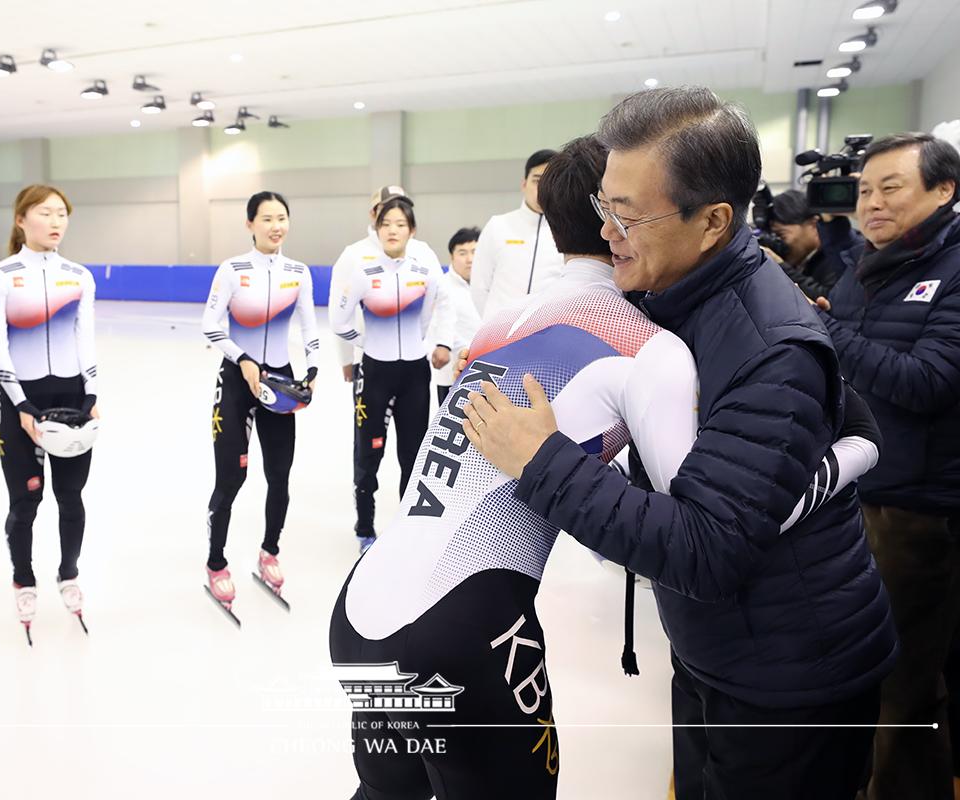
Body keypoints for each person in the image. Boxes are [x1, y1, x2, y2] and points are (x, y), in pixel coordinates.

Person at [330, 135, 882, 800]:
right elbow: (701, 526)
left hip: (362, 605)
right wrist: (856, 453)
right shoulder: (646, 346)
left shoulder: (500, 320)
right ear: (611, 216)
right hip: (465, 625)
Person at [815, 132, 960, 800]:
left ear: (943, 190)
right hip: (856, 491)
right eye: (865, 190)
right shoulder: (870, 266)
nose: (871, 203)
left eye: (891, 188)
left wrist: (830, 335)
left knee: (903, 683)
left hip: (916, 512)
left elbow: (929, 380)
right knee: (857, 668)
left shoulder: (952, 268)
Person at [0, 184, 98, 643]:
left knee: (71, 496)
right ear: (21, 219)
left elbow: (85, 337)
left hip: (72, 398)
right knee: (25, 500)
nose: (55, 222)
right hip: (20, 401)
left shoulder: (79, 276)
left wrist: (92, 392)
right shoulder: (1, 276)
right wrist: (21, 403)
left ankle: (68, 573)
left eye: (62, 214)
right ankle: (24, 580)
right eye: (45, 213)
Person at [201, 191, 320, 610]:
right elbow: (209, 325)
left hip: (282, 382)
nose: (276, 225)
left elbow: (310, 326)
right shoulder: (233, 270)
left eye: (282, 217)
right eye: (266, 218)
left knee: (280, 477)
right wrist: (244, 360)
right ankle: (216, 563)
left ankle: (270, 551)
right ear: (249, 224)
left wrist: (313, 370)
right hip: (237, 382)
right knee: (231, 479)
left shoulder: (298, 271)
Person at [331, 198, 444, 553]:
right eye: (386, 224)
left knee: (413, 455)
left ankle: (407, 528)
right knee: (369, 454)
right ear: (377, 230)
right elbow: (339, 321)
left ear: (412, 231)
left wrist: (426, 341)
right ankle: (365, 527)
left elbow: (434, 313)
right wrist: (366, 342)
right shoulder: (363, 275)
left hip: (414, 372)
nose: (392, 230)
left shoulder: (424, 273)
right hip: (375, 372)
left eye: (400, 224)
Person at [328, 186, 450, 384]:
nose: (394, 212)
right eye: (387, 208)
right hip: (368, 357)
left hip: (413, 356)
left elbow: (444, 298)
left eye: (402, 207)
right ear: (373, 214)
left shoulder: (423, 251)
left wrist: (443, 342)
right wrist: (347, 359)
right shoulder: (353, 254)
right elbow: (340, 312)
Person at [469, 149, 565, 318]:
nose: (543, 189)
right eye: (537, 181)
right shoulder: (498, 226)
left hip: (545, 331)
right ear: (524, 184)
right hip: (498, 333)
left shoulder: (566, 231)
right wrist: (493, 321)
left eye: (551, 182)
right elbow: (479, 287)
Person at [766, 188, 862, 298]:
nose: (777, 243)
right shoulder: (804, 258)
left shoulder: (841, 253)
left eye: (781, 235)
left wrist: (781, 268)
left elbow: (831, 300)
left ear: (813, 224)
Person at [428, 227, 481, 404]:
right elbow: (439, 328)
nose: (470, 259)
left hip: (486, 373)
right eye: (462, 253)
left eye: (475, 251)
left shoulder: (489, 285)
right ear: (452, 257)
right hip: (452, 375)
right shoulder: (442, 286)